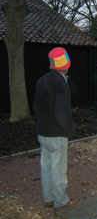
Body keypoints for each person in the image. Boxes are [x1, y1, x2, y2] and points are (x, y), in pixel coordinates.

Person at [33, 47, 78, 209]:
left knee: (46, 166)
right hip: (56, 133)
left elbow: (36, 107)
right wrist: (69, 130)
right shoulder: (61, 84)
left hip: (42, 131)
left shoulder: (42, 80)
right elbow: (62, 113)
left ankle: (48, 198)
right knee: (58, 168)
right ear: (66, 66)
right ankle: (61, 200)